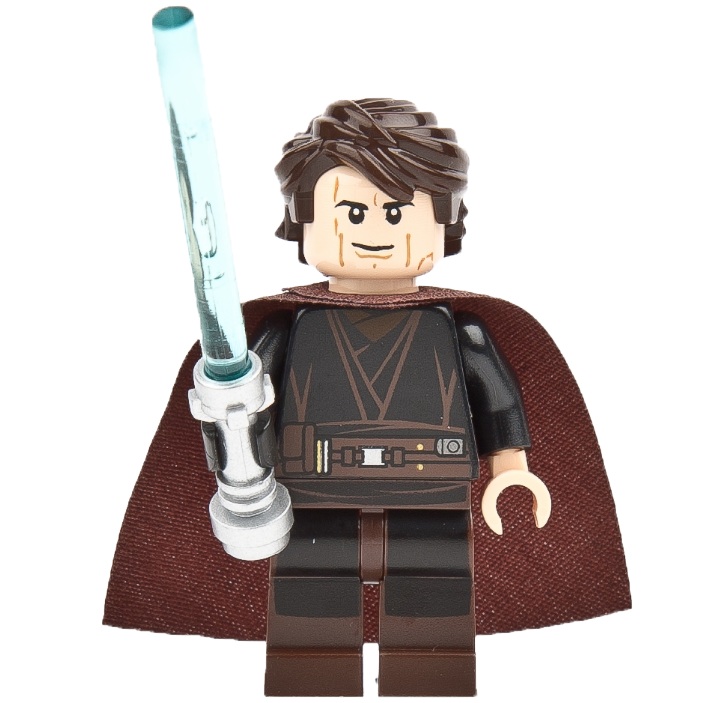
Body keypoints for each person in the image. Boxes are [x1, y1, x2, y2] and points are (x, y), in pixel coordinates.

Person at [104, 98, 631, 699]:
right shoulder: (285, 330)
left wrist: (510, 469)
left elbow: (496, 401)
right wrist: (235, 445)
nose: (376, 232)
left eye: (398, 212)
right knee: (310, 626)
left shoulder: (459, 331)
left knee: (433, 627)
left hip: (432, 501)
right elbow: (240, 413)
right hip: (310, 501)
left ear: (446, 222)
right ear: (302, 222)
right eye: (352, 213)